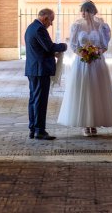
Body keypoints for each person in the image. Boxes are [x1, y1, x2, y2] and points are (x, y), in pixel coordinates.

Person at [57, 0, 112, 136]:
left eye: (85, 11)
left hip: (97, 63)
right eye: (82, 11)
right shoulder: (77, 26)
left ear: (92, 11)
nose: (83, 13)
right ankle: (85, 124)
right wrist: (83, 53)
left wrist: (97, 53)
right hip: (81, 63)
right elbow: (73, 45)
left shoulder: (102, 26)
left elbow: (104, 45)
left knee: (96, 91)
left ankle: (94, 123)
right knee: (84, 90)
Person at [25, 8, 67, 140]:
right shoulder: (39, 29)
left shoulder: (31, 27)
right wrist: (64, 46)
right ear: (45, 18)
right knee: (40, 101)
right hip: (40, 70)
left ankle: (33, 129)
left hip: (34, 69)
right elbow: (49, 46)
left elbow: (41, 49)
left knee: (34, 100)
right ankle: (39, 131)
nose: (51, 24)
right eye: (51, 20)